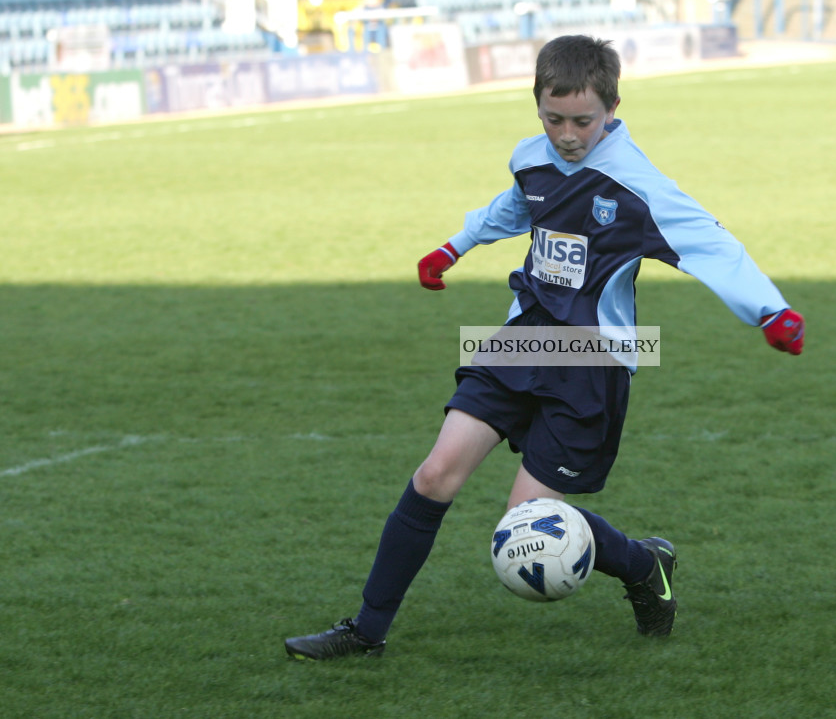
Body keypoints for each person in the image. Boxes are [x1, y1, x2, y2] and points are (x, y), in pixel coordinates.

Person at [284, 35, 804, 660]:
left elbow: (713, 245)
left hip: (591, 361)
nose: (566, 134)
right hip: (519, 339)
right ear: (537, 106)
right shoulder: (532, 159)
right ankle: (366, 631)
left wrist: (770, 311)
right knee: (434, 474)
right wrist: (454, 246)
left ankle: (642, 566)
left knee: (526, 524)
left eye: (582, 120)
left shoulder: (638, 187)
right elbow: (513, 206)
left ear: (612, 106)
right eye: (553, 119)